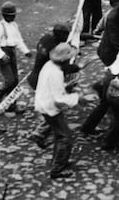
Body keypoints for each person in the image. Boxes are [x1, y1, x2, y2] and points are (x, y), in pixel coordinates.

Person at [34, 42, 84, 179]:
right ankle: (57, 169)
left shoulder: (49, 66)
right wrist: (77, 97)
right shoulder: (56, 73)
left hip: (44, 102)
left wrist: (65, 86)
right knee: (65, 137)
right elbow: (59, 99)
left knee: (59, 135)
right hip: (50, 107)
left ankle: (58, 160)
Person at [0, 1, 31, 108]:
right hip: (3, 55)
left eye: (14, 16)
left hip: (12, 53)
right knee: (9, 80)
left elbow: (18, 40)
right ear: (5, 16)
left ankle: (12, 103)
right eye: (11, 16)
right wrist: (2, 55)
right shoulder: (0, 27)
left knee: (15, 80)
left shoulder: (14, 25)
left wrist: (25, 51)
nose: (13, 18)